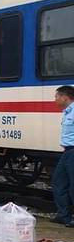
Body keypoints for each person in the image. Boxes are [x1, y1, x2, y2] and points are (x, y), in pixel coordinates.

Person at [51, 85, 74, 227]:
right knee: (58, 182)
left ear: (65, 97)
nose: (55, 100)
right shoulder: (67, 112)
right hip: (67, 152)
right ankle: (63, 215)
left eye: (57, 96)